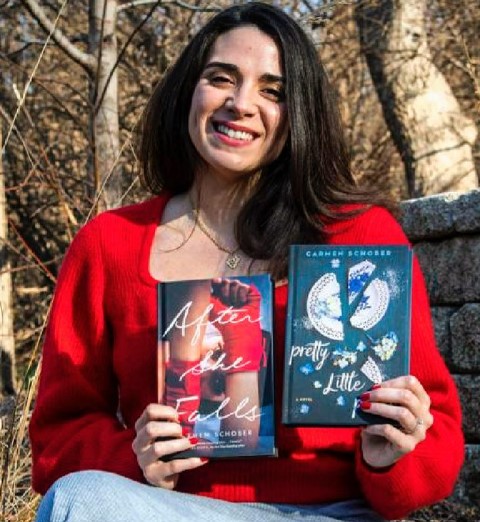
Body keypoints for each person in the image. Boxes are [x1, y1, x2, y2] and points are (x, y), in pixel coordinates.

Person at [30, 3, 464, 521]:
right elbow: (58, 437)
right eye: (221, 78)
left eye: (272, 91)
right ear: (188, 90)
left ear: (299, 114)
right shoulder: (109, 244)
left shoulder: (360, 238)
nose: (241, 104)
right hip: (167, 509)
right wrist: (132, 456)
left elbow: (437, 445)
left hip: (330, 513)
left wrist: (393, 453)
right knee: (81, 498)